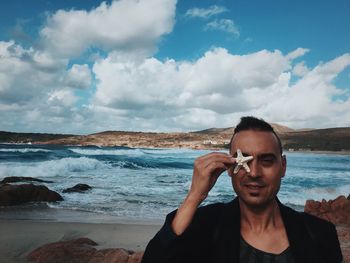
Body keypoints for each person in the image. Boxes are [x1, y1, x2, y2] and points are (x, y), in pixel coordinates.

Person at [141, 116, 343, 263]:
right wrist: (195, 195)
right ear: (229, 167)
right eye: (242, 160)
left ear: (283, 167)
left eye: (266, 161)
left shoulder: (319, 234)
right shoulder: (205, 226)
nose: (253, 172)